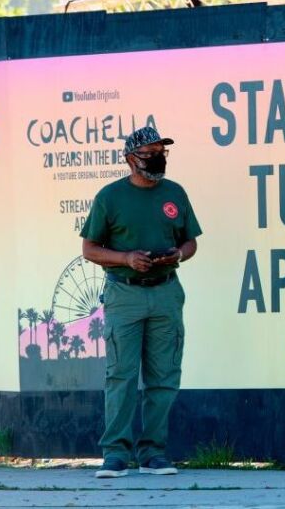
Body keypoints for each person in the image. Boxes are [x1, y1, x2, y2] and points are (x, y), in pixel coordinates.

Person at [80, 126, 202, 478]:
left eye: (161, 152)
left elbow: (191, 242)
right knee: (121, 375)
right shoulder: (110, 197)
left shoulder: (175, 193)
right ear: (130, 159)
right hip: (125, 294)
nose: (157, 158)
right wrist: (127, 259)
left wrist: (177, 253)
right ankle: (115, 454)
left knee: (164, 376)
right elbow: (89, 249)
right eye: (149, 153)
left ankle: (153, 454)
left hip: (166, 291)